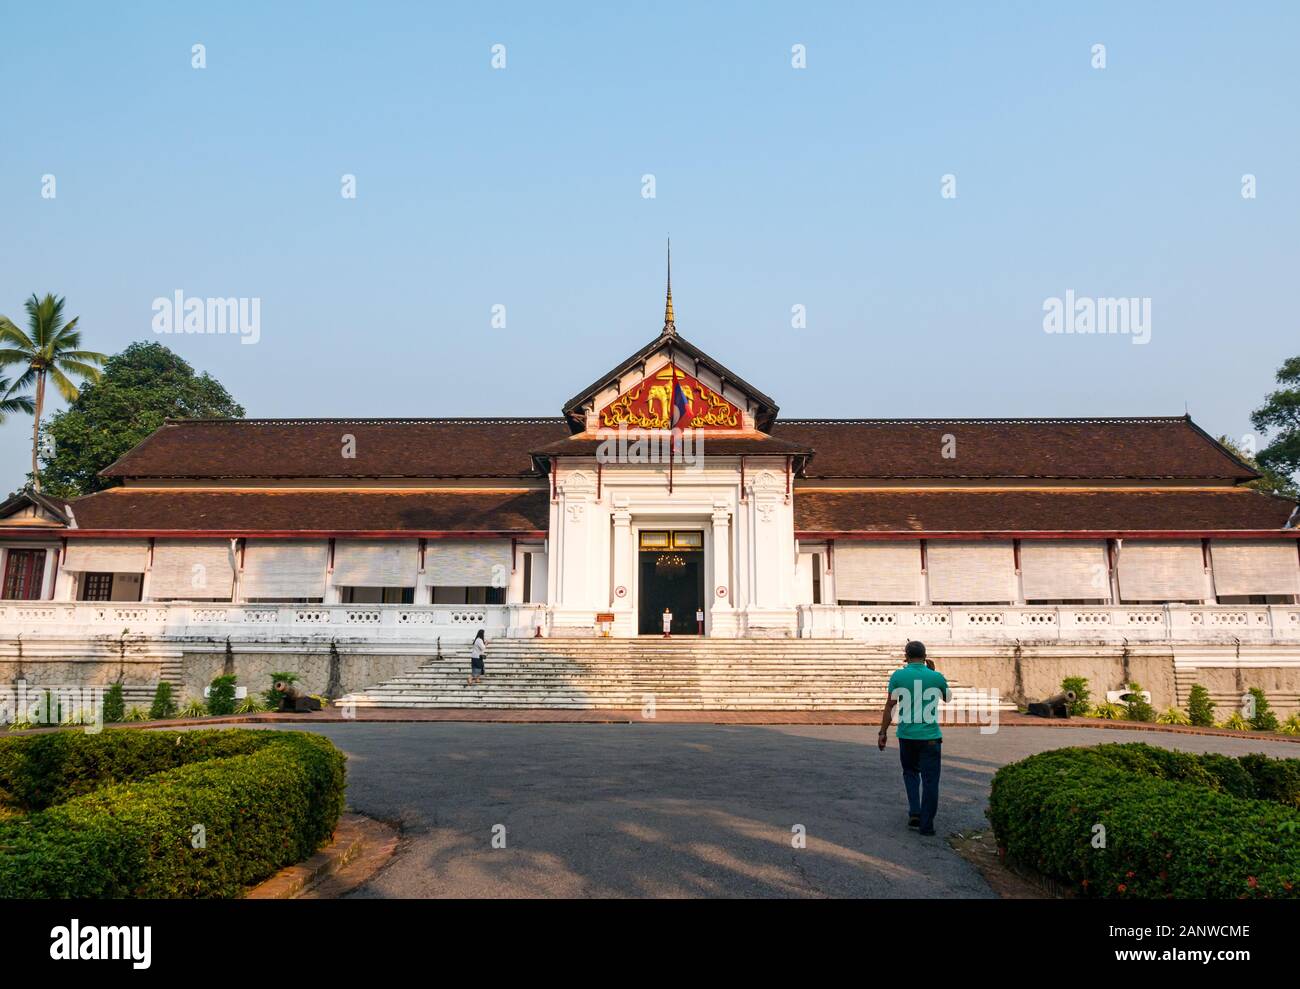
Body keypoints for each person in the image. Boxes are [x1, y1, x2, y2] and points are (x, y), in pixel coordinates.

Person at [877, 640, 950, 836]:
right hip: (931, 736)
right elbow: (948, 697)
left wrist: (882, 732)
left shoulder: (899, 676)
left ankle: (915, 811)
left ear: (906, 656)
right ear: (925, 657)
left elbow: (890, 706)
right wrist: (936, 673)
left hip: (907, 735)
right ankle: (927, 825)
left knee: (910, 773)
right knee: (930, 781)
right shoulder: (935, 676)